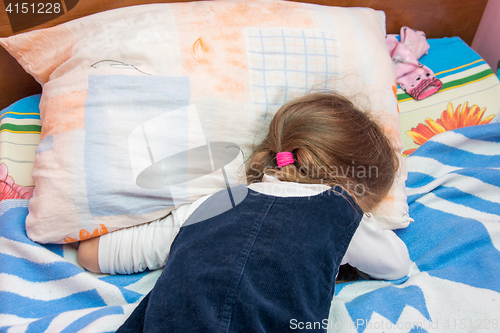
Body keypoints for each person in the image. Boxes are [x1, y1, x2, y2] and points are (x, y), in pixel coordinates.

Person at [78, 92, 411, 332]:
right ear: (351, 188)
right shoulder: (341, 214)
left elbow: (94, 255)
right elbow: (396, 264)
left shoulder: (212, 203)